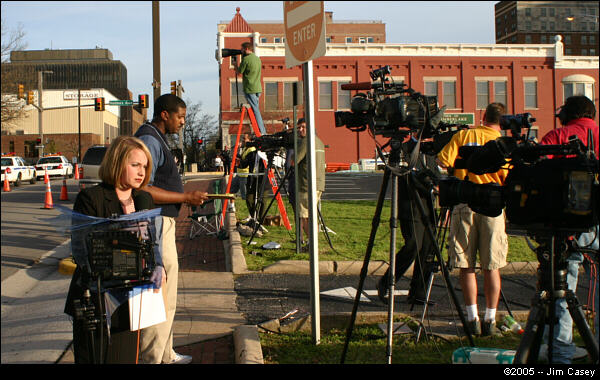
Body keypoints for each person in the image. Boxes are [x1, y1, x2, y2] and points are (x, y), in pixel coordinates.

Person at [64, 136, 164, 363]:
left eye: (145, 166)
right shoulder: (91, 198)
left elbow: (153, 244)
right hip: (96, 299)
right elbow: (81, 251)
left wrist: (159, 266)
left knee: (125, 357)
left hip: (133, 299)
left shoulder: (144, 199)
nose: (141, 171)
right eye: (135, 165)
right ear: (118, 163)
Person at [135, 94, 209, 364]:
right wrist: (185, 198)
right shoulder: (150, 140)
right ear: (164, 115)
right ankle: (153, 357)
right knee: (160, 293)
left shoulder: (157, 138)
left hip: (163, 224)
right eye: (180, 116)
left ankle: (165, 353)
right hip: (156, 224)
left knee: (169, 293)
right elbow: (143, 189)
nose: (183, 122)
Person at [437, 102, 510, 337]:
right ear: (503, 122)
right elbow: (507, 176)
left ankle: (472, 318)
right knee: (492, 265)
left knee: (465, 264)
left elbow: (442, 161)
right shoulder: (504, 144)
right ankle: (490, 319)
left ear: (482, 116)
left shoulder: (464, 135)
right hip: (494, 206)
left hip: (465, 202)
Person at [537, 95, 599, 363]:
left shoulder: (556, 136)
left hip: (566, 223)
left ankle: (561, 352)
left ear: (567, 114)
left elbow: (537, 172)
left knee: (562, 287)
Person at [376, 134, 440, 306]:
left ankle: (418, 292)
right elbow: (407, 175)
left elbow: (436, 172)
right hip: (410, 206)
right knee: (413, 245)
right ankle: (387, 281)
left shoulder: (432, 150)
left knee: (428, 249)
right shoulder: (404, 150)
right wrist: (431, 185)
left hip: (428, 206)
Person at [294, 118, 326, 251]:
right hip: (318, 183)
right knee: (311, 216)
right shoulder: (319, 141)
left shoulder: (306, 141)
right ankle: (312, 243)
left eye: (303, 127)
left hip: (306, 185)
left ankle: (311, 244)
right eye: (298, 128)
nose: (300, 130)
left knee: (305, 216)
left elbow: (294, 161)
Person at [233, 42, 266, 135]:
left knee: (256, 110)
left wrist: (235, 65)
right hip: (258, 88)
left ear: (247, 48)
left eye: (242, 49)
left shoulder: (246, 59)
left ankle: (262, 131)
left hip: (249, 88)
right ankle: (259, 129)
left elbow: (239, 72)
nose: (241, 51)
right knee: (255, 109)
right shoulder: (257, 59)